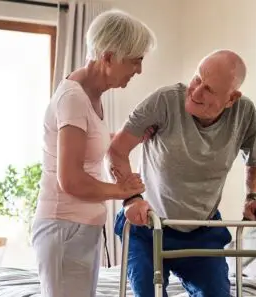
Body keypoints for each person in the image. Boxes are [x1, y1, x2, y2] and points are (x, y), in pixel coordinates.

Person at [108, 49, 256, 297]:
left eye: (209, 89)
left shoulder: (244, 113)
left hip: (202, 229)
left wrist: (253, 198)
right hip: (148, 226)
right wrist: (132, 199)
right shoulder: (165, 101)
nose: (196, 92)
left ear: (231, 99)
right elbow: (116, 151)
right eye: (197, 79)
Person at [30, 9, 156, 297]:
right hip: (64, 228)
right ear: (109, 57)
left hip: (77, 228)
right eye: (135, 61)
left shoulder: (89, 95)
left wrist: (126, 137)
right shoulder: (74, 98)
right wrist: (121, 190)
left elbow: (85, 144)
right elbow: (71, 180)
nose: (139, 70)